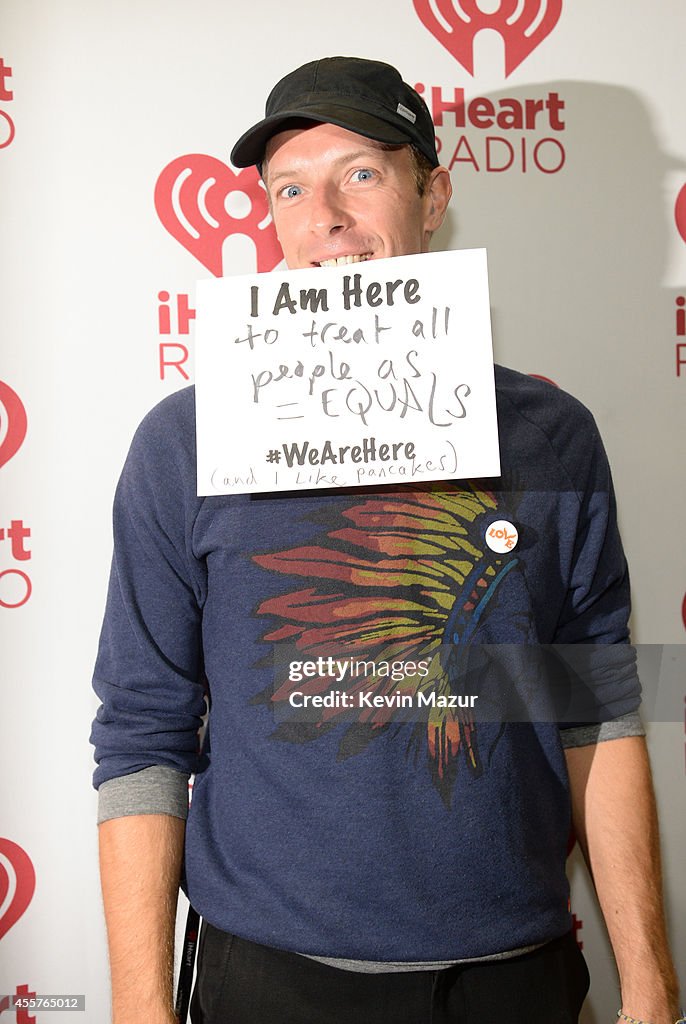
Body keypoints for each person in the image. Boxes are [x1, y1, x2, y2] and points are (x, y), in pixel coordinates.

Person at [91, 57, 681, 1024]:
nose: (323, 214)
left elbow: (597, 707)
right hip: (268, 978)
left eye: (360, 173)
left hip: (513, 974)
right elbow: (140, 734)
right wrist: (139, 1010)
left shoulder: (553, 433)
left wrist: (651, 985)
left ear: (434, 193)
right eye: (290, 187)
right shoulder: (184, 443)